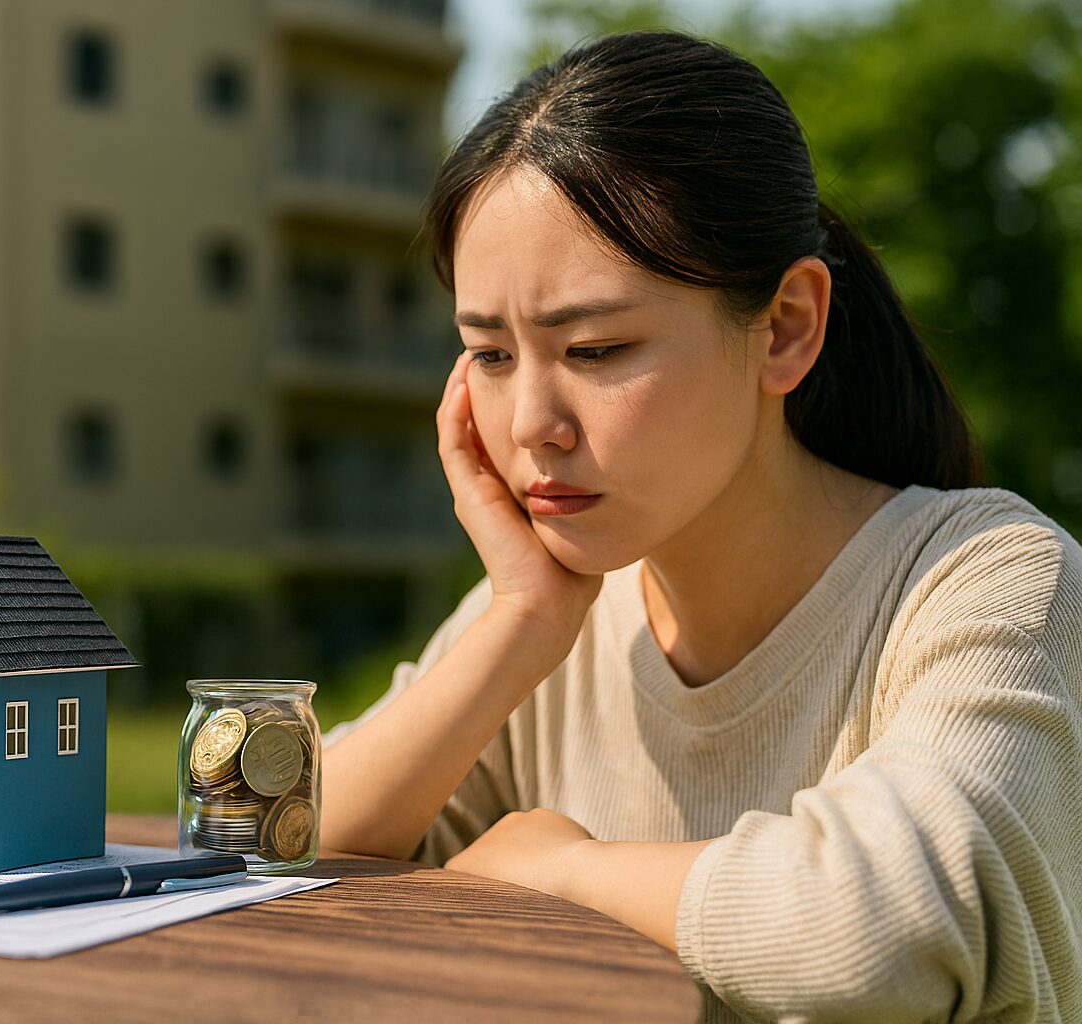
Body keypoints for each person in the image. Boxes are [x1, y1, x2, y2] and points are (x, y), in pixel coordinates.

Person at [318, 29, 1082, 1024]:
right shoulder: (552, 625)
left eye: (595, 348)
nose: (530, 427)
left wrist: (562, 869)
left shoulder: (990, 581)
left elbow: (881, 928)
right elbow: (266, 845)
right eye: (491, 355)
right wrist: (518, 621)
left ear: (785, 327)